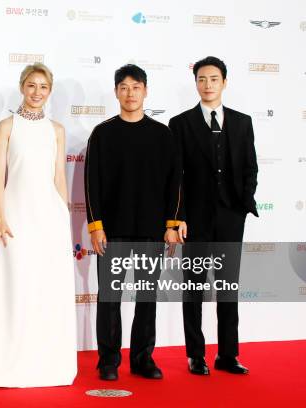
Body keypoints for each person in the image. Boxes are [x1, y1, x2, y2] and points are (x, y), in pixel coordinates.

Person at [85, 64, 185, 381]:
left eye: (136, 86)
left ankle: (143, 358)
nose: (130, 93)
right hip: (112, 232)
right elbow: (91, 183)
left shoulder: (162, 135)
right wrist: (95, 225)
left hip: (151, 231)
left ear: (145, 90)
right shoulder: (102, 133)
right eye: (124, 87)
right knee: (110, 297)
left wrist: (171, 225)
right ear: (116, 92)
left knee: (146, 297)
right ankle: (109, 360)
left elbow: (176, 184)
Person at [0, 63, 77, 387]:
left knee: (47, 290)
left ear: (50, 91)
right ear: (22, 87)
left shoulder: (57, 130)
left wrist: (64, 217)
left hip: (49, 218)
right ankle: (11, 364)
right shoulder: (7, 126)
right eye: (32, 85)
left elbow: (59, 177)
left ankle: (49, 363)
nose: (37, 92)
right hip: (16, 218)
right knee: (16, 287)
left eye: (44, 87)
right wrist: (1, 216)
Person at [169, 56, 258, 376]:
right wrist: (178, 217)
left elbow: (251, 167)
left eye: (213, 79)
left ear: (224, 82)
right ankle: (196, 355)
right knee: (193, 288)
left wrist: (244, 204)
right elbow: (175, 175)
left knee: (227, 288)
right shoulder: (180, 124)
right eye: (202, 80)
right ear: (196, 83)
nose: (207, 85)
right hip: (195, 219)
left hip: (231, 218)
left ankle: (228, 355)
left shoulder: (242, 121)